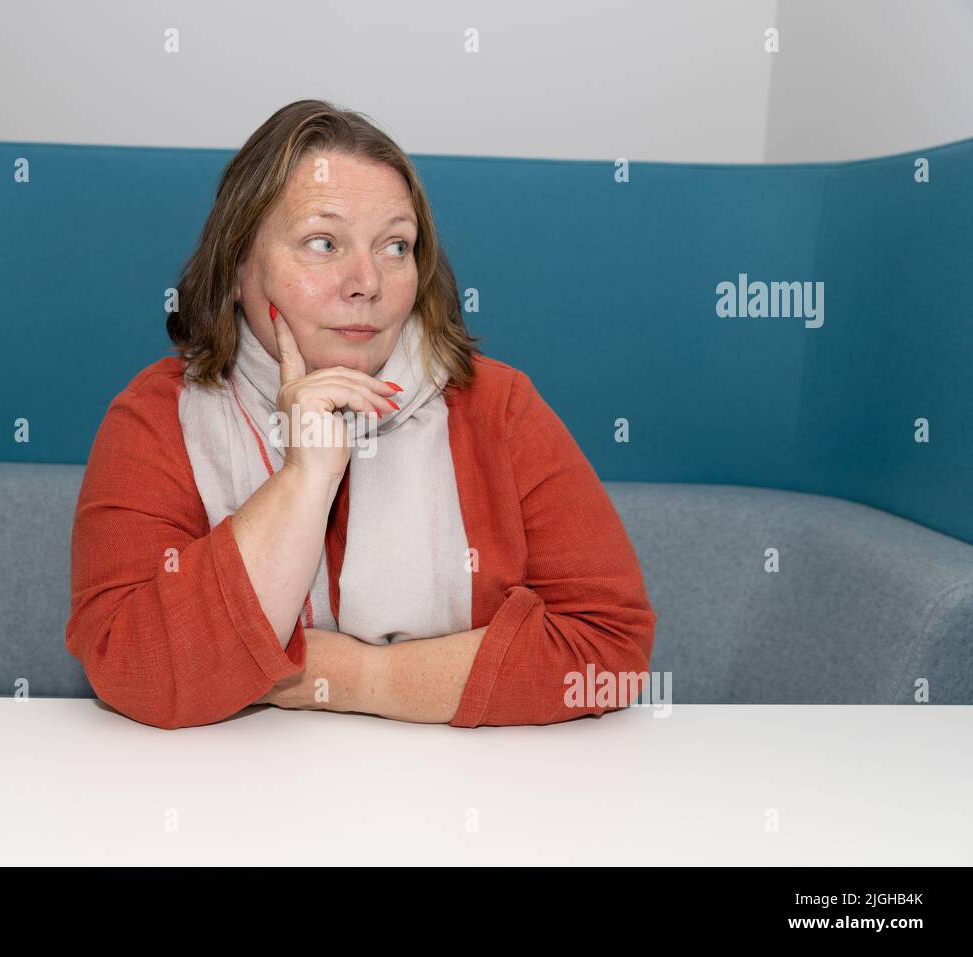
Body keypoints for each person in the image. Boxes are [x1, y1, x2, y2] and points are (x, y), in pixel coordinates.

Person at [65, 99, 656, 730]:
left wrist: (353, 676)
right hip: (232, 807)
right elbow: (132, 669)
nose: (367, 281)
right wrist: (305, 475)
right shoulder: (159, 416)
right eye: (324, 242)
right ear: (238, 268)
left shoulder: (498, 409)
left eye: (395, 246)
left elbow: (609, 654)